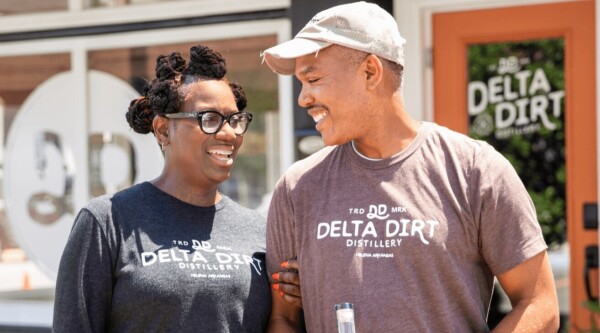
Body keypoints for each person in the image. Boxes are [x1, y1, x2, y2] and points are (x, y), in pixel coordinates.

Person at [261, 2, 560, 332]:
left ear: (370, 72)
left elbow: (539, 304)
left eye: (313, 78)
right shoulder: (297, 187)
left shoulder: (475, 170)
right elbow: (283, 319)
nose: (303, 99)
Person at [53, 44, 300, 332]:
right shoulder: (108, 221)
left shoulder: (258, 229)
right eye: (209, 119)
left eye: (235, 119)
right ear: (162, 130)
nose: (230, 133)